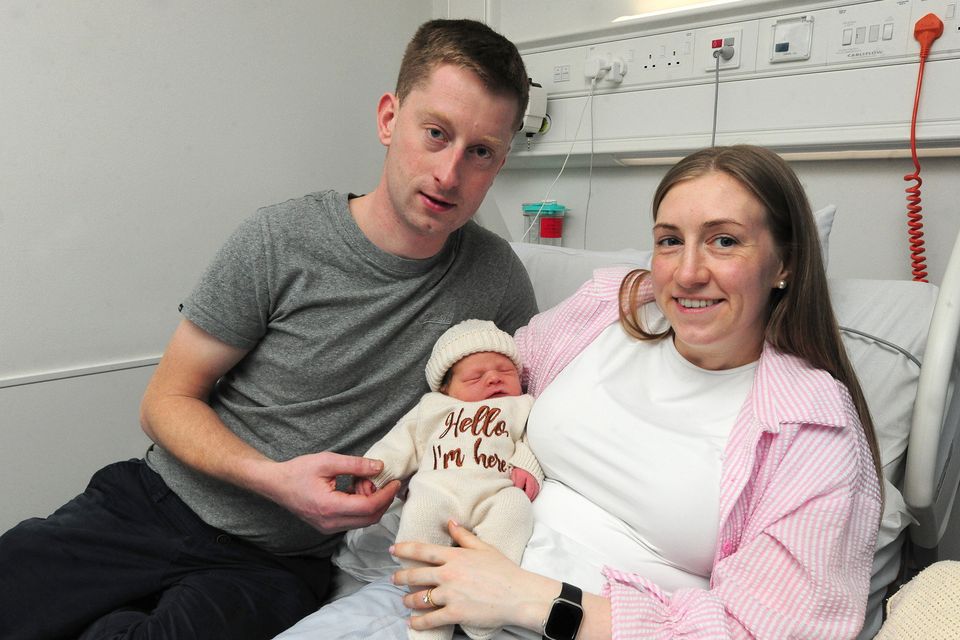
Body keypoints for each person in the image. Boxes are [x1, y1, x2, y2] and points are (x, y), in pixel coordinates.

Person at [0, 18, 537, 640]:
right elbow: (164, 401)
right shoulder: (280, 239)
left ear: (501, 160)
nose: (449, 174)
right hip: (152, 503)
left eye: (481, 152)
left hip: (277, 565)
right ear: (390, 119)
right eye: (436, 134)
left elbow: (522, 416)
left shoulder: (499, 282)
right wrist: (275, 481)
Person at [275, 145, 885, 640]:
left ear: (785, 263)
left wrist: (537, 601)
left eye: (725, 240)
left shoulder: (811, 429)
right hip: (442, 582)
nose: (688, 272)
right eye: (670, 239)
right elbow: (490, 395)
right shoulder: (608, 313)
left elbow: (767, 632)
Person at [353, 319, 543, 640]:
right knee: (420, 515)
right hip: (438, 488)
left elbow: (535, 437)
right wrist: (377, 470)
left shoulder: (520, 405)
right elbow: (403, 440)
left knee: (515, 511)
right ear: (445, 387)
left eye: (504, 370)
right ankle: (429, 610)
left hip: (495, 490)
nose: (494, 378)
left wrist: (526, 465)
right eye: (475, 376)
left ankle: (485, 605)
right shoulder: (433, 407)